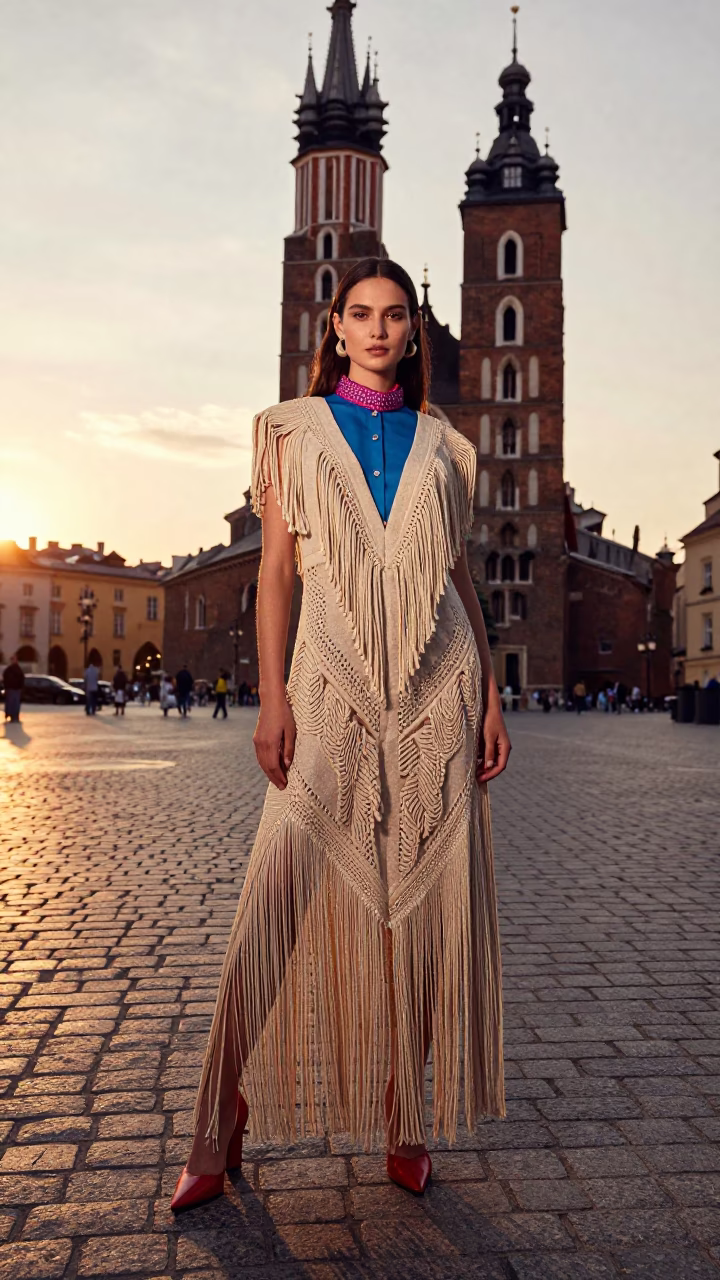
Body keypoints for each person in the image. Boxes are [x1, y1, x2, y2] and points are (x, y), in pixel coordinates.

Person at [171, 258, 510, 1214]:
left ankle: (407, 1109)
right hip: (327, 685)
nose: (376, 329)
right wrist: (272, 696)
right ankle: (218, 1113)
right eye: (359, 313)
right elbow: (276, 573)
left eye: (394, 316)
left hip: (438, 689)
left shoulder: (448, 447)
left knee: (428, 910)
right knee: (272, 903)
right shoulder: (290, 430)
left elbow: (457, 582)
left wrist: (487, 695)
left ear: (414, 333)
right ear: (334, 326)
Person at [3, 655, 25, 723]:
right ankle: (11, 716)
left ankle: (15, 716)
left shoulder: (18, 669)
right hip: (11, 689)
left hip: (16, 689)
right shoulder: (8, 669)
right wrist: (6, 687)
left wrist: (21, 688)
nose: (13, 661)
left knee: (16, 703)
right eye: (12, 659)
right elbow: (5, 678)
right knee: (11, 703)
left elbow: (22, 678)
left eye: (14, 659)